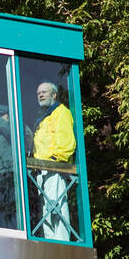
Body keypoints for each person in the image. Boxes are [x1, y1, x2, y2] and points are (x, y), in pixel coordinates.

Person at [30, 81, 77, 241]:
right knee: (47, 212)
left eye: (44, 92)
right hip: (43, 170)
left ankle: (61, 243)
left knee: (56, 210)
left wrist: (55, 160)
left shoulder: (60, 112)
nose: (40, 95)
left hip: (54, 168)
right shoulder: (45, 117)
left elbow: (66, 141)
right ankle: (52, 242)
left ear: (54, 95)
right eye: (38, 93)